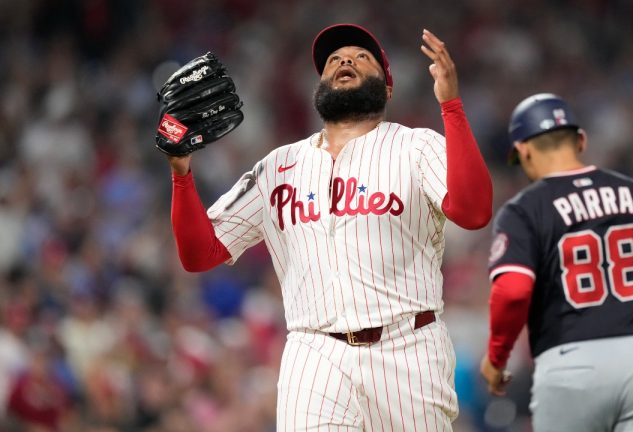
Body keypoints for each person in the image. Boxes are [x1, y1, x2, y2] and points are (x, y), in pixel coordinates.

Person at [164, 24, 493, 431]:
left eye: (361, 57)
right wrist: (181, 173)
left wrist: (452, 107)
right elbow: (200, 253)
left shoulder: (416, 146)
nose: (344, 61)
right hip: (314, 351)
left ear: (387, 87)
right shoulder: (278, 165)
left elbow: (475, 210)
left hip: (407, 347)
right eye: (334, 60)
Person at [479, 93, 633, 431]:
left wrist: (496, 358)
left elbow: (512, 291)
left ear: (524, 150)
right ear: (581, 140)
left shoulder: (525, 209)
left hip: (570, 363)